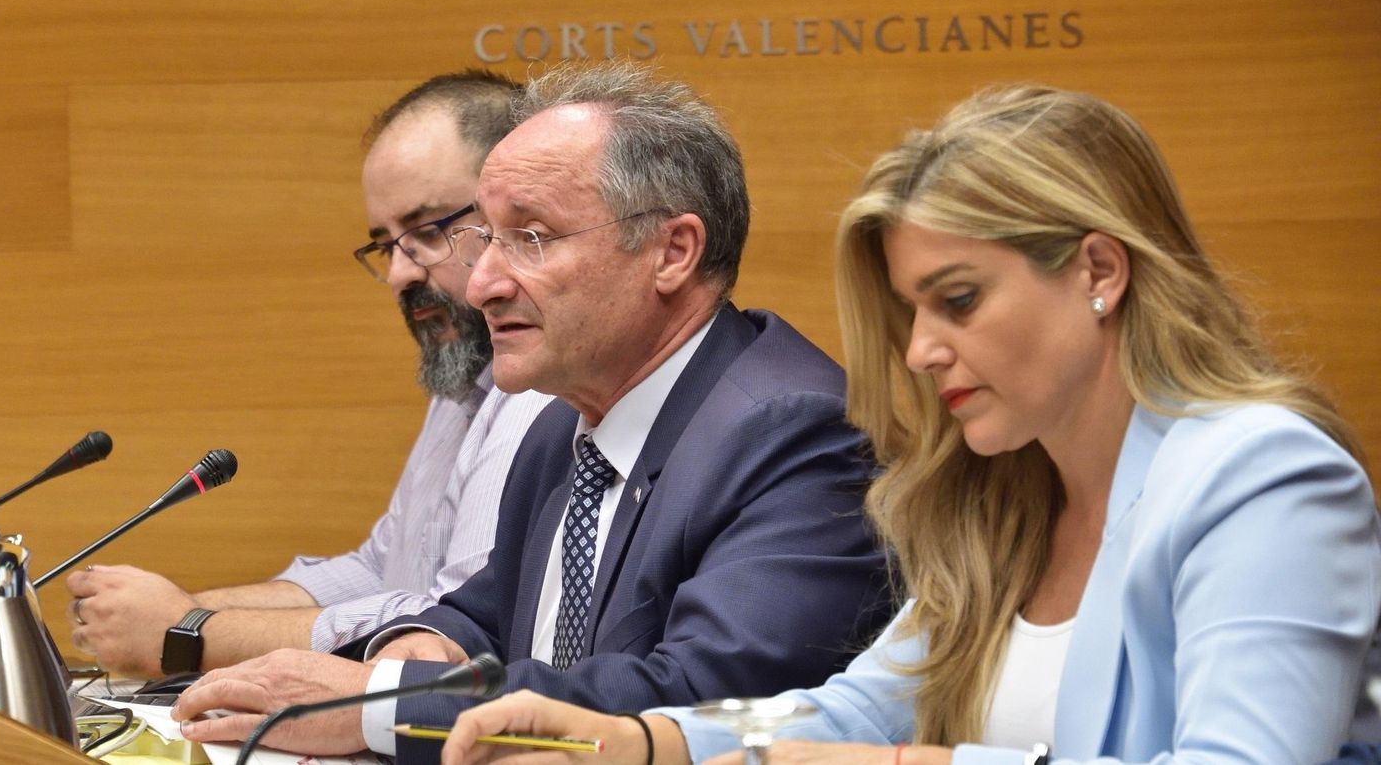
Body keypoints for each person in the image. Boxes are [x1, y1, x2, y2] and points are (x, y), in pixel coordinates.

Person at [437, 85, 1381, 765]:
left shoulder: (1266, 478)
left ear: (1099, 271)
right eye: (912, 313)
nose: (923, 352)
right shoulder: (1004, 494)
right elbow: (854, 710)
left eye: (958, 301)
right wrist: (649, 742)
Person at [171, 62, 893, 761]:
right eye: (487, 237)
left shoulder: (796, 430)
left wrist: (378, 703)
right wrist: (420, 644)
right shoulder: (563, 422)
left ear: (673, 251)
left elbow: (698, 699)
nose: (482, 283)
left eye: (532, 238)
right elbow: (485, 615)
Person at [64, 70, 553, 676]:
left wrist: (190, 632)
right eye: (384, 245)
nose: (400, 274)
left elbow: (454, 628)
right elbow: (381, 569)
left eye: (427, 232)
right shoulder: (462, 376)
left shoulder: (544, 391)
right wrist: (182, 609)